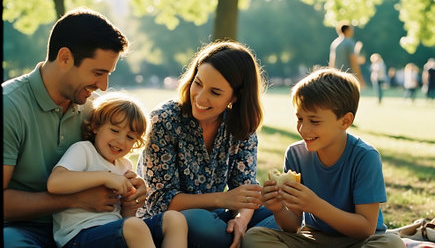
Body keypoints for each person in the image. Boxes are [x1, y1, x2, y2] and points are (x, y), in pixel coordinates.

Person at [2, 8, 146, 247]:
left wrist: (130, 191)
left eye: (108, 74)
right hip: (22, 229)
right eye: (98, 73)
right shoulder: (9, 105)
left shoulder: (93, 113)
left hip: (87, 228)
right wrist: (75, 199)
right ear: (65, 57)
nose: (103, 86)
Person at [136, 41, 278, 248]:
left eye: (215, 92)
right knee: (197, 222)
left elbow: (246, 189)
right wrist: (223, 200)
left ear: (236, 96)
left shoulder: (241, 126)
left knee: (277, 215)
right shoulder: (164, 120)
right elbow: (160, 201)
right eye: (198, 83)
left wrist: (241, 220)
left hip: (218, 217)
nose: (201, 97)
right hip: (169, 222)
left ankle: (240, 238)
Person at [242, 67, 404, 248]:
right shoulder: (295, 154)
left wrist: (316, 206)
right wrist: (278, 209)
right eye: (300, 118)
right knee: (255, 237)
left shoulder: (365, 157)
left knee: (392, 243)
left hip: (359, 242)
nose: (303, 129)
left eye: (314, 121)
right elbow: (293, 226)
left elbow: (365, 228)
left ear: (345, 121)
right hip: (313, 239)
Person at [47, 92, 188, 248]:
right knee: (134, 227)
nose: (121, 141)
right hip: (78, 236)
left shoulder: (124, 165)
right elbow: (55, 183)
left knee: (174, 220)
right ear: (95, 127)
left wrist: (130, 205)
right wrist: (106, 177)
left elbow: (125, 219)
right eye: (114, 130)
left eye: (130, 137)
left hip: (114, 231)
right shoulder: (84, 151)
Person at [329, 21, 366, 88]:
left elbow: (332, 62)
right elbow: (353, 61)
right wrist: (360, 78)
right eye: (351, 30)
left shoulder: (334, 43)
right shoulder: (349, 42)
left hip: (338, 77)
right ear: (347, 30)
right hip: (348, 77)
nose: (352, 32)